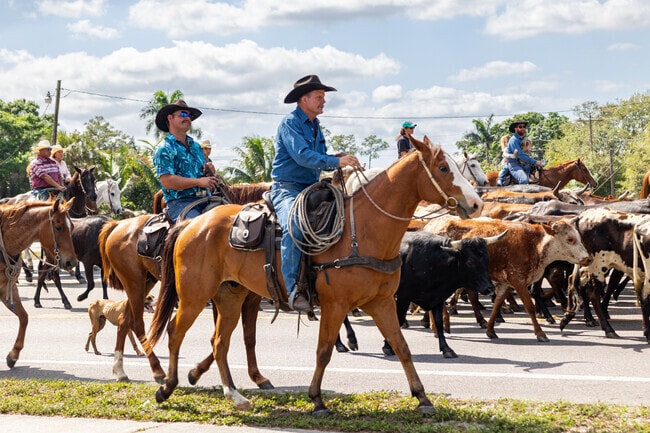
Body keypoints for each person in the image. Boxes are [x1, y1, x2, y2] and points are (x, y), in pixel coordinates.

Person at [270, 74, 361, 312]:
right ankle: (292, 290)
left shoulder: (314, 124)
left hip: (311, 189)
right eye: (319, 97)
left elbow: (316, 157)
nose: (323, 101)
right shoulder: (290, 123)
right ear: (304, 99)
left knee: (344, 220)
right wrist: (335, 162)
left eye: (323, 97)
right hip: (287, 188)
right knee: (295, 226)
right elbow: (302, 156)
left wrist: (336, 157)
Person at [153, 100, 220, 222]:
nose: (188, 118)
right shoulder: (164, 149)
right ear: (170, 118)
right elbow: (167, 181)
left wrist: (209, 173)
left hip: (207, 199)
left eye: (190, 116)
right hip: (180, 203)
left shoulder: (196, 147)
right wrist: (199, 182)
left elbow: (204, 178)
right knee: (199, 231)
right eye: (183, 114)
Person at [503, 120, 542, 185]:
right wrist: (535, 162)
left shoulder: (524, 139)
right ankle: (522, 195)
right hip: (514, 165)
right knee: (524, 180)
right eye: (520, 127)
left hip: (523, 164)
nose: (523, 128)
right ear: (515, 129)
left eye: (524, 127)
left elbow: (527, 152)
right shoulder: (514, 140)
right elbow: (520, 155)